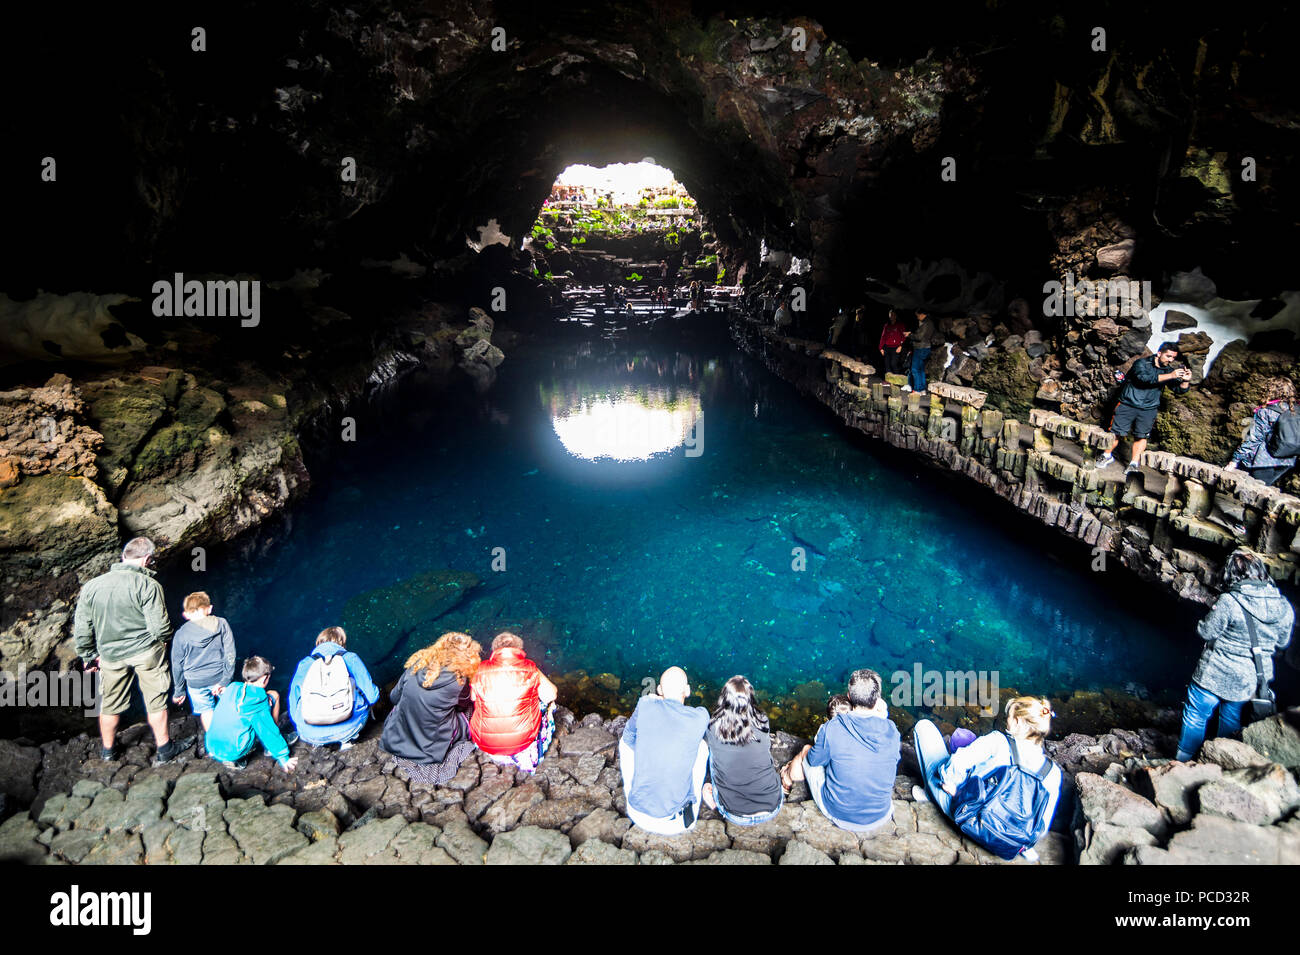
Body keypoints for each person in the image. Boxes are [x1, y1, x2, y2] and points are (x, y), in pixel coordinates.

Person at [72, 537, 193, 764]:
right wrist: (165, 640)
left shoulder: (92, 586)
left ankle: (108, 751)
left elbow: (82, 627)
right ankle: (165, 748)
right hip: (146, 651)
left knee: (110, 702)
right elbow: (159, 625)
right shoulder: (148, 585)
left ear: (124, 557)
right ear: (147, 559)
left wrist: (89, 656)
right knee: (156, 699)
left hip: (109, 654)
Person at [1175, 549, 1295, 761]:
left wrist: (1201, 622)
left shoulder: (1229, 601)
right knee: (1231, 718)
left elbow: (1206, 631)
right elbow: (1283, 642)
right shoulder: (1284, 607)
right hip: (1248, 679)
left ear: (1230, 575)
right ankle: (1220, 759)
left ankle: (1183, 761)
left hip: (1214, 673)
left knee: (1195, 715)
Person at [911, 698, 1062, 862]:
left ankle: (930, 794)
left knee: (924, 727)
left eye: (1009, 717)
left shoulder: (998, 741)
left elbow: (954, 765)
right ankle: (1025, 850)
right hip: (1009, 842)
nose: (1007, 720)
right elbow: (1042, 827)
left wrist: (955, 789)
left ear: (1018, 722)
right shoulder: (1052, 772)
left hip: (966, 817)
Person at [780, 668, 899, 832]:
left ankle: (786, 780)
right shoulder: (891, 730)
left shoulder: (832, 728)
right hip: (881, 814)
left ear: (849, 697)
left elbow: (813, 761)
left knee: (806, 751)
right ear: (877, 699)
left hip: (839, 814)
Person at [380, 632, 482, 784]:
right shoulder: (459, 681)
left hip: (397, 735)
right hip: (433, 744)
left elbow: (394, 698)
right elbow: (463, 706)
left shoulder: (415, 667)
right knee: (471, 709)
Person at [619, 666, 710, 835]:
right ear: (688, 690)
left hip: (636, 813)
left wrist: (649, 749)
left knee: (626, 743)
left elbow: (628, 738)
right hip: (676, 822)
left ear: (659, 690)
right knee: (702, 747)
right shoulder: (700, 716)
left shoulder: (645, 703)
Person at [469, 632, 558, 773]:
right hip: (522, 743)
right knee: (546, 705)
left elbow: (473, 697)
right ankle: (525, 757)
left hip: (486, 744)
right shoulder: (530, 668)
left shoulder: (480, 670)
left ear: (494, 650)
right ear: (519, 649)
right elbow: (551, 695)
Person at [701, 676, 784, 826]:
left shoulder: (713, 727)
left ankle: (714, 802)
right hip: (772, 806)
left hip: (734, 814)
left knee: (710, 752)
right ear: (750, 699)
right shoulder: (762, 720)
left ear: (724, 699)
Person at [1099, 342, 1192, 473]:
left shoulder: (1168, 370)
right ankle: (1106, 455)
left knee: (1141, 436)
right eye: (1168, 356)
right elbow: (1144, 379)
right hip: (1128, 403)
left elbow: (1179, 390)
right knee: (1116, 432)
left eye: (1173, 358)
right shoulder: (1141, 363)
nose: (1170, 360)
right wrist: (1171, 376)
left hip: (1149, 409)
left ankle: (1133, 464)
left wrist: (1186, 380)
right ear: (1159, 353)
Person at [288, 626, 381, 751]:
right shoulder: (350, 658)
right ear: (342, 642)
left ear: (318, 642)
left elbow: (293, 702)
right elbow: (372, 696)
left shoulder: (305, 663)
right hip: (349, 728)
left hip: (310, 734)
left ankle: (319, 742)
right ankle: (347, 741)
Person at [205, 656, 297, 772]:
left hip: (212, 746)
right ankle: (254, 753)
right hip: (234, 751)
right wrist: (284, 758)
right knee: (268, 712)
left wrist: (264, 702)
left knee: (272, 695)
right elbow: (267, 732)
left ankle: (227, 755)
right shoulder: (255, 701)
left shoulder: (233, 687)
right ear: (264, 678)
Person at [170, 591, 236, 732]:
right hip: (219, 677)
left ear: (187, 614)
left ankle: (214, 746)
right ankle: (236, 743)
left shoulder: (181, 634)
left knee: (206, 711)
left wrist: (179, 690)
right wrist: (225, 680)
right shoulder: (221, 623)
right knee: (231, 708)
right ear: (209, 608)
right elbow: (230, 654)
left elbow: (177, 665)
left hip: (195, 683)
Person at [1225, 377, 1298, 486]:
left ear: (1270, 391)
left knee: (1253, 494)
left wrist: (1234, 460)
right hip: (1288, 461)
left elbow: (1254, 439)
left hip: (1264, 461)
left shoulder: (1266, 412)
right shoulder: (1295, 411)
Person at [904, 310, 939, 394]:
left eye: (918, 315)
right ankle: (922, 389)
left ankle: (917, 390)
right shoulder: (930, 323)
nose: (917, 317)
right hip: (926, 347)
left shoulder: (926, 323)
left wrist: (909, 335)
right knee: (921, 369)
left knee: (915, 369)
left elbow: (919, 337)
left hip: (920, 348)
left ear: (923, 314)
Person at [879, 309, 909, 376]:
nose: (891, 316)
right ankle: (888, 380)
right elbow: (883, 336)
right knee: (887, 364)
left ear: (896, 316)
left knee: (893, 364)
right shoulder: (887, 325)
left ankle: (898, 379)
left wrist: (901, 346)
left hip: (896, 347)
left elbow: (904, 337)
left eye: (893, 315)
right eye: (890, 315)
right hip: (887, 347)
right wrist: (880, 348)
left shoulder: (900, 325)